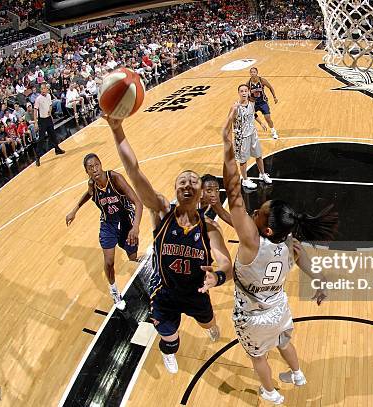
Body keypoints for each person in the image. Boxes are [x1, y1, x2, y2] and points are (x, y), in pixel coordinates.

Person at [221, 107, 337, 405]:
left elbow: (234, 196)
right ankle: (297, 374)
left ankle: (270, 392)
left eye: (258, 213)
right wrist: (321, 283)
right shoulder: (290, 243)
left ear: (268, 229)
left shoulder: (251, 243)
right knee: (285, 340)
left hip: (254, 315)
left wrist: (227, 148)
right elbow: (307, 262)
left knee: (257, 356)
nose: (254, 211)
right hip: (279, 307)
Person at [103, 116, 233, 374]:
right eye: (182, 181)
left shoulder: (210, 228)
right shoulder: (161, 211)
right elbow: (134, 172)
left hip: (196, 292)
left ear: (200, 194)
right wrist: (117, 130)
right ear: (175, 190)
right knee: (169, 338)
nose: (187, 184)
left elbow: (227, 265)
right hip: (165, 293)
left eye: (193, 182)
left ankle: (211, 326)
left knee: (209, 324)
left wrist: (217, 278)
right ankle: (169, 351)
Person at [66, 154, 142, 309]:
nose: (95, 170)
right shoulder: (92, 185)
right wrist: (74, 210)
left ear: (101, 164)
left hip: (126, 220)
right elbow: (88, 194)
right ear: (86, 171)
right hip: (108, 224)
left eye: (96, 165)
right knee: (108, 262)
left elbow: (138, 203)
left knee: (132, 258)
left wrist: (135, 227)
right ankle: (114, 292)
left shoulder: (115, 179)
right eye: (90, 168)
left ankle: (139, 277)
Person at [230, 84, 272, 190]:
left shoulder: (251, 103)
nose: (244, 93)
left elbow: (253, 114)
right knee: (243, 160)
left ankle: (262, 174)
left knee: (258, 155)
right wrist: (229, 136)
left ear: (248, 92)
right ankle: (245, 180)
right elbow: (228, 121)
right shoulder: (235, 107)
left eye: (245, 91)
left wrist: (261, 123)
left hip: (253, 133)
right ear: (238, 93)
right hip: (242, 136)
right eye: (241, 91)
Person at [33, 84, 65, 167]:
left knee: (53, 135)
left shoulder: (49, 96)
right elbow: (35, 110)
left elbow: (50, 105)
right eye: (43, 88)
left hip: (48, 119)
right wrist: (36, 122)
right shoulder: (38, 99)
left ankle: (57, 149)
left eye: (45, 88)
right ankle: (37, 157)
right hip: (42, 120)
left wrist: (50, 111)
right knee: (41, 139)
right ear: (41, 90)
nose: (44, 89)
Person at [248, 67, 279, 139]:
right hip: (254, 103)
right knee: (250, 116)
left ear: (257, 73)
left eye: (254, 72)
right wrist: (248, 99)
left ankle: (273, 131)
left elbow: (270, 87)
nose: (253, 73)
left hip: (263, 102)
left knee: (267, 118)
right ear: (250, 73)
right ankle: (251, 132)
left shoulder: (262, 80)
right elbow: (246, 92)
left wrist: (274, 97)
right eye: (251, 72)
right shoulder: (248, 83)